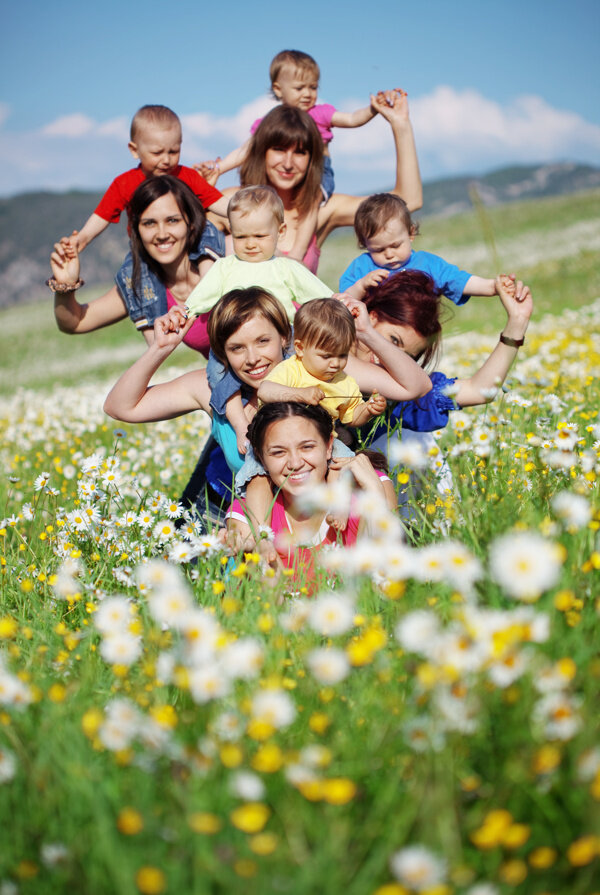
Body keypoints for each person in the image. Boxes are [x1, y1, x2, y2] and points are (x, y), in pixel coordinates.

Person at [104, 288, 432, 528]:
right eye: (236, 348)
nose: (253, 358)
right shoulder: (209, 388)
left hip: (327, 524)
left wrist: (367, 333)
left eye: (263, 341)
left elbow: (415, 386)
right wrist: (161, 349)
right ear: (222, 353)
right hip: (257, 527)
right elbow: (121, 407)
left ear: (285, 338)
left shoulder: (313, 370)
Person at [201, 89, 422, 274]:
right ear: (262, 152)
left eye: (299, 152)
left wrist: (401, 125)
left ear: (312, 159)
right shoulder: (232, 201)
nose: (288, 163)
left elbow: (408, 201)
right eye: (278, 149)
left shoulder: (321, 210)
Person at [183, 186, 334, 453]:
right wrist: (184, 313)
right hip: (233, 344)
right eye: (241, 236)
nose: (251, 244)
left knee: (298, 374)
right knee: (216, 371)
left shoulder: (285, 268)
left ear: (281, 232)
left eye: (260, 236)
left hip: (281, 338)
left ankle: (315, 423)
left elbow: (321, 296)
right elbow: (198, 299)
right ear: (231, 233)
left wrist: (340, 303)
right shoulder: (225, 267)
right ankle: (240, 424)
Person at [51, 105, 230, 329]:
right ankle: (154, 333)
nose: (166, 160)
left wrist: (248, 213)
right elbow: (102, 216)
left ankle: (209, 283)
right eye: (157, 153)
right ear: (134, 150)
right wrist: (81, 241)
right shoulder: (124, 183)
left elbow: (221, 204)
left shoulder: (187, 176)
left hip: (196, 244)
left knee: (207, 228)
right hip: (143, 254)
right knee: (134, 276)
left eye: (174, 151)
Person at [197, 49, 378, 260]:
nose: (308, 94)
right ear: (278, 89)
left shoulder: (320, 113)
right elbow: (245, 151)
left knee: (313, 198)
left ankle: (298, 253)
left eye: (313, 87)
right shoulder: (270, 124)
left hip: (319, 170)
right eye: (300, 88)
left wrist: (372, 110)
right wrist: (217, 168)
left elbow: (352, 119)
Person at [49, 177, 221, 356]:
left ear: (190, 223)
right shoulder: (143, 285)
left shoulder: (225, 256)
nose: (162, 234)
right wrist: (65, 285)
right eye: (149, 223)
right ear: (136, 230)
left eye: (172, 221)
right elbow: (74, 322)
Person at [225, 402, 392, 585]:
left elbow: (383, 586)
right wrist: (254, 550)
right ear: (261, 458)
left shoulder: (370, 486)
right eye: (278, 452)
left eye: (307, 447)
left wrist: (375, 493)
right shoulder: (246, 514)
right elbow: (274, 604)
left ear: (329, 446)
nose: (295, 463)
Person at [340, 193, 513, 304]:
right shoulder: (362, 267)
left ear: (411, 233)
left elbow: (458, 280)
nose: (389, 254)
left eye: (396, 245)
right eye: (378, 250)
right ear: (365, 244)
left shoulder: (428, 264)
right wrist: (361, 286)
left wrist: (493, 286)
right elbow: (342, 301)